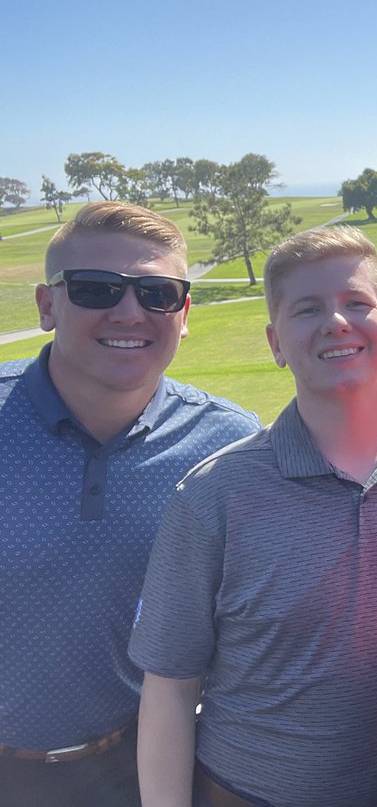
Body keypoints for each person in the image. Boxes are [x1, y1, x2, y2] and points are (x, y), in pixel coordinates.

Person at [128, 225, 377, 807]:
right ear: (274, 342)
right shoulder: (214, 493)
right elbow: (169, 685)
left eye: (356, 303)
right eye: (307, 309)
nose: (335, 322)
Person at [0, 202, 260, 806]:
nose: (129, 312)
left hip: (140, 766)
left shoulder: (228, 442)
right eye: (95, 289)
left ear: (184, 312)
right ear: (46, 306)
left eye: (157, 293)